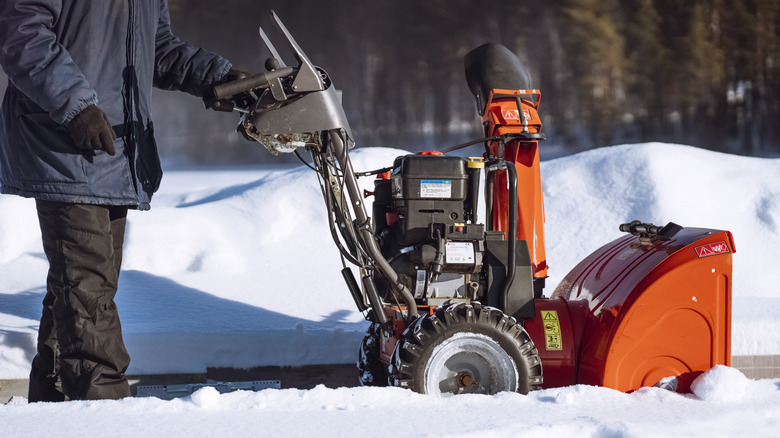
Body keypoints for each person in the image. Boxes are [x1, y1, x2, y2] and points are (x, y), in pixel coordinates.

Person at [0, 1, 241, 401]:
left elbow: (156, 47)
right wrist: (75, 106)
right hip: (62, 144)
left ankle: (55, 406)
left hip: (113, 150)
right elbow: (21, 34)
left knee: (81, 287)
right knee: (86, 288)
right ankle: (105, 414)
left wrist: (216, 76)